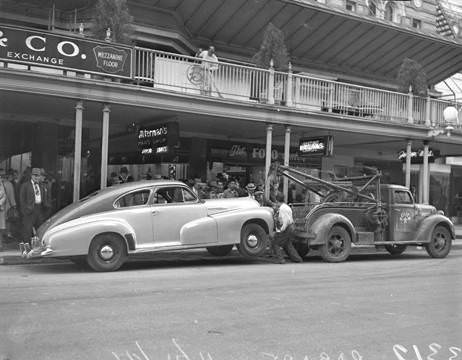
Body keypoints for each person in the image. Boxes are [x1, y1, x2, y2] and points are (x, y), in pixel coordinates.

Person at [270, 192, 303, 264]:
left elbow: (286, 221)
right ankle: (297, 259)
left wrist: (280, 230)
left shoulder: (282, 209)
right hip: (290, 227)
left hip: (287, 227)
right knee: (287, 244)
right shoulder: (286, 207)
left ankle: (280, 259)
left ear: (277, 200)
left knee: (275, 243)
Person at [19, 167, 46, 246]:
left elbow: (43, 197)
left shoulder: (41, 185)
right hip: (29, 210)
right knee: (27, 230)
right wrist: (25, 210)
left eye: (38, 176)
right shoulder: (25, 185)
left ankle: (37, 247)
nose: (37, 177)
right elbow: (22, 199)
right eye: (35, 175)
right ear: (31, 176)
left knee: (40, 229)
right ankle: (26, 248)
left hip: (39, 209)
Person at [1, 168, 18, 241]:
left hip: (2, 207)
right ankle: (7, 235)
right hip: (7, 207)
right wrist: (14, 206)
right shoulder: (9, 184)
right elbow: (11, 196)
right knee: (7, 222)